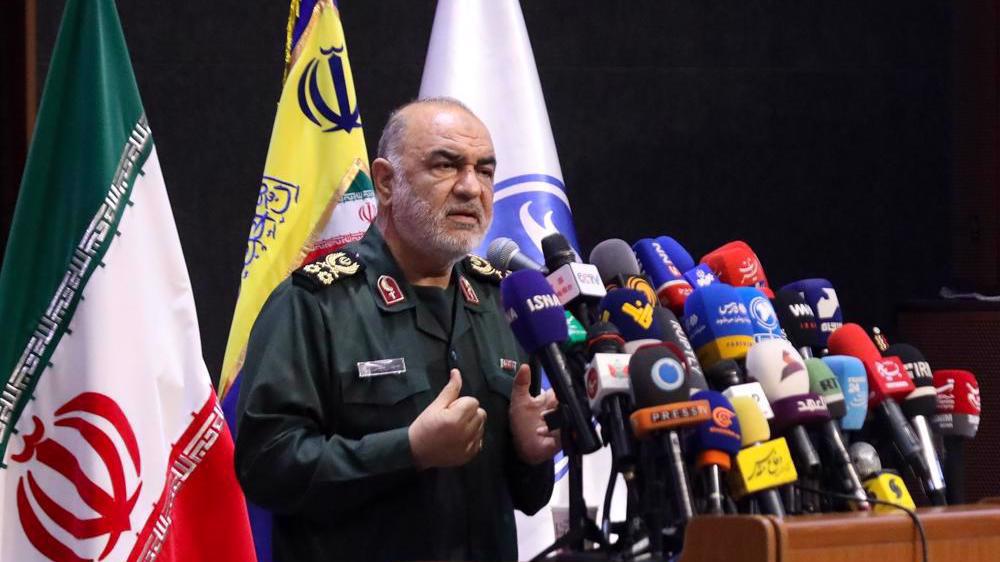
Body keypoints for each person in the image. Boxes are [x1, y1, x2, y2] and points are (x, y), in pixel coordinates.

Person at [234, 98, 559, 562]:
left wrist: (529, 455)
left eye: (485, 171)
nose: (471, 188)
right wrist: (408, 450)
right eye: (446, 166)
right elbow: (267, 467)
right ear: (386, 182)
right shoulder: (314, 303)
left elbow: (527, 500)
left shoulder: (502, 301)